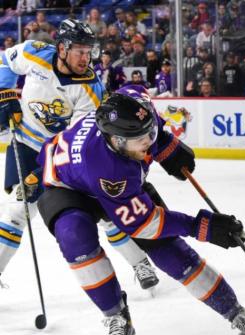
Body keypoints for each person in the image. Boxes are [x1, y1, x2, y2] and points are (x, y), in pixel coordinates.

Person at [33, 86, 245, 335]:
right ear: (117, 141)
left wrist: (166, 146)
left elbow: (143, 107)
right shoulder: (109, 169)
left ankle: (233, 310)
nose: (147, 142)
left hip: (103, 176)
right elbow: (146, 225)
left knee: (169, 252)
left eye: (150, 133)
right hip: (66, 186)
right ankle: (115, 316)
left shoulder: (136, 106)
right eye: (139, 140)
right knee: (75, 235)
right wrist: (202, 226)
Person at [0, 19, 160, 291]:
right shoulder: (35, 52)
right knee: (18, 209)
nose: (87, 58)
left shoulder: (91, 89)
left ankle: (139, 261)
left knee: (106, 208)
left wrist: (42, 175)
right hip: (27, 143)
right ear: (61, 48)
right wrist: (4, 94)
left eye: (90, 52)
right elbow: (5, 60)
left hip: (67, 156)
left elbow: (75, 140)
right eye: (80, 51)